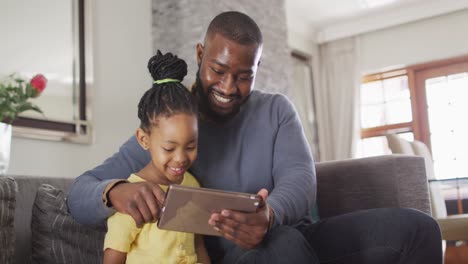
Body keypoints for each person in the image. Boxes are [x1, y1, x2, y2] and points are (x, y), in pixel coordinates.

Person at [68, 11, 442, 264]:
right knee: (283, 246)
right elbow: (78, 192)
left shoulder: (276, 110)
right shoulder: (170, 126)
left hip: (293, 235)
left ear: (257, 68)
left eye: (244, 75)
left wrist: (270, 215)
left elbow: (300, 179)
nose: (229, 86)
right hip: (234, 254)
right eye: (218, 70)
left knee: (417, 228)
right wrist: (115, 191)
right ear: (201, 55)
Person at [102, 51, 210, 264]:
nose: (181, 158)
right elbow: (113, 257)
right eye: (169, 148)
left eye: (190, 146)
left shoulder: (193, 186)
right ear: (144, 139)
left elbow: (198, 245)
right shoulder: (132, 198)